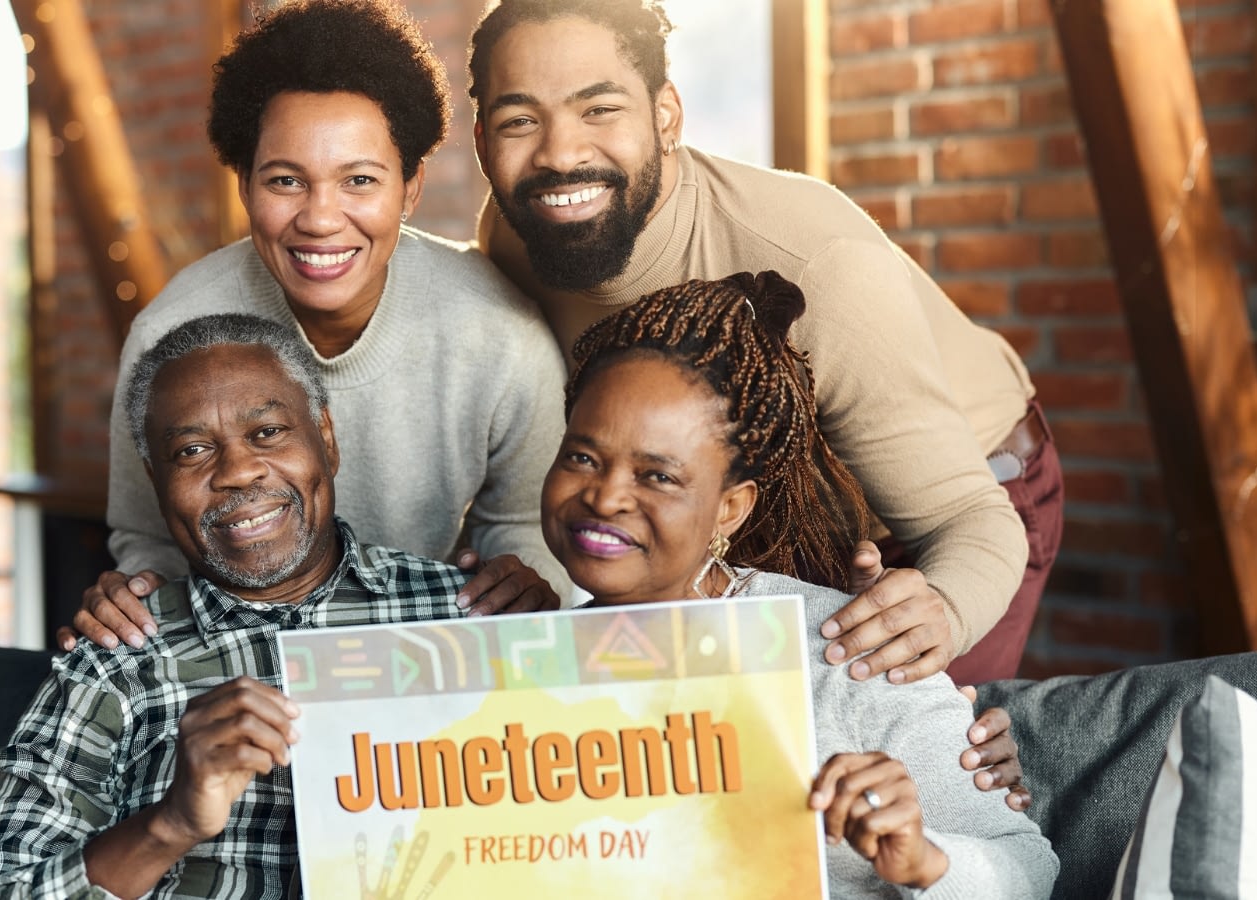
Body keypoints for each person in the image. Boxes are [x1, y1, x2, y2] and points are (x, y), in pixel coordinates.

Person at [469, 0, 1063, 687]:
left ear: (666, 116)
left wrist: (947, 607)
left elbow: (969, 521)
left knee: (914, 762)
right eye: (521, 120)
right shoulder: (516, 236)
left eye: (599, 109)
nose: (561, 153)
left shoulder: (816, 264)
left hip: (956, 504)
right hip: (735, 514)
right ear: (483, 143)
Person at [80, 0, 571, 655]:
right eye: (285, 180)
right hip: (241, 657)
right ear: (244, 185)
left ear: (411, 186)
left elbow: (526, 527)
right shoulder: (173, 335)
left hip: (427, 650)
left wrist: (524, 587)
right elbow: (145, 537)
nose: (320, 218)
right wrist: (132, 600)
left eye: (359, 180)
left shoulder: (499, 334)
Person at [544, 272, 1057, 896]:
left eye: (658, 476)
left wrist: (924, 859)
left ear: (730, 509)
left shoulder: (844, 654)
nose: (604, 496)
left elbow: (1028, 871)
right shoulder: (517, 657)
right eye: (582, 457)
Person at [0, 314, 483, 898]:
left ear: (326, 438)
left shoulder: (461, 615)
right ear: (155, 480)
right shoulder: (117, 659)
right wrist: (169, 825)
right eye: (193, 450)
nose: (236, 472)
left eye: (268, 433)